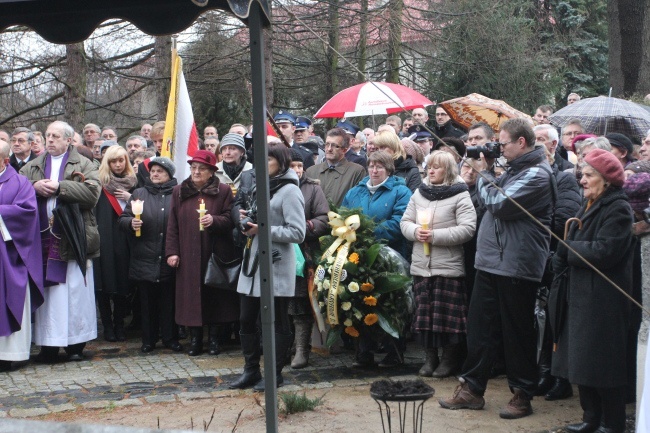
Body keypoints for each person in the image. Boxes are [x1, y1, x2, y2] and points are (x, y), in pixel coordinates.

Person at [439, 118, 553, 419]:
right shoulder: (512, 171)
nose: (497, 149)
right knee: (479, 329)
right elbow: (485, 197)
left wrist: (483, 172)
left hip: (518, 265)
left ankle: (522, 393)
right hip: (490, 261)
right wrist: (489, 171)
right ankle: (472, 389)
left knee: (517, 334)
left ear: (522, 143)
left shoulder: (538, 174)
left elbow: (498, 203)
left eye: (502, 144)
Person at [553, 149, 634, 433]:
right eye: (582, 174)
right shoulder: (588, 203)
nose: (582, 180)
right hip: (581, 295)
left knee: (603, 366)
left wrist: (567, 249)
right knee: (583, 362)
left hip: (604, 299)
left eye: (588, 175)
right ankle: (591, 419)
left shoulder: (618, 208)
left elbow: (606, 251)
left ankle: (611, 424)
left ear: (606, 180)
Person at [21, 120, 101, 363]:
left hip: (73, 236)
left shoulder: (85, 163)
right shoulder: (33, 166)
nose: (50, 140)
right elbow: (17, 190)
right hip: (42, 237)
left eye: (56, 136)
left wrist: (60, 187)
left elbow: (92, 194)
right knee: (49, 293)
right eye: (48, 135)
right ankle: (48, 344)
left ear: (69, 140)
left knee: (75, 291)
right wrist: (34, 186)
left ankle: (76, 343)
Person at [229, 143, 306, 391]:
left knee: (277, 320)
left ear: (281, 163)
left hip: (276, 264)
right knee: (245, 318)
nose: (263, 164)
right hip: (253, 262)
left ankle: (274, 374)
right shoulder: (260, 185)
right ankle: (251, 370)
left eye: (269, 160)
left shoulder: (290, 191)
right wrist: (245, 219)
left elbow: (298, 232)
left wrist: (262, 229)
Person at [401, 150, 476, 378]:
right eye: (429, 166)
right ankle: (430, 357)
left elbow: (467, 229)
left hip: (448, 266)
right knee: (424, 315)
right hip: (422, 266)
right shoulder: (419, 193)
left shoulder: (460, 195)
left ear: (449, 170)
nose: (431, 171)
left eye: (437, 167)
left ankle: (449, 360)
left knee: (448, 318)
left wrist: (434, 236)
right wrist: (416, 232)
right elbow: (405, 222)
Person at [341, 151, 412, 367]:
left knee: (391, 303)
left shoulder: (401, 191)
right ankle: (364, 350)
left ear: (389, 170)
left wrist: (368, 232)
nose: (374, 170)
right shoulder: (355, 191)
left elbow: (400, 220)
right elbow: (344, 215)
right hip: (359, 254)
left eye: (379, 166)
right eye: (371, 165)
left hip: (391, 255)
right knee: (361, 299)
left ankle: (394, 351)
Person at [166, 150, 239, 357]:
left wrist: (214, 221)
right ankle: (195, 340)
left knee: (215, 296)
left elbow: (230, 218)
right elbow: (172, 224)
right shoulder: (179, 191)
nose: (196, 172)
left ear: (211, 172)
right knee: (190, 298)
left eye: (202, 168)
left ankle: (215, 340)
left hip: (214, 252)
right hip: (187, 253)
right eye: (193, 167)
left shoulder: (223, 191)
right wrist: (172, 252)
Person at [119, 157, 182, 353]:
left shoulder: (178, 194)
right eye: (152, 171)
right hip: (144, 256)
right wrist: (130, 223)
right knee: (146, 302)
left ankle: (170, 337)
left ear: (169, 175)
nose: (154, 174)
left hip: (168, 256)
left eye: (160, 172)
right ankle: (149, 339)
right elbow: (123, 219)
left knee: (169, 301)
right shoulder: (139, 193)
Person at [0, 139, 44, 372]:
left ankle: (11, 354)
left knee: (11, 297)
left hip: (10, 255)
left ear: (5, 161)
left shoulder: (20, 183)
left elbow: (27, 214)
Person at [287, 149, 329, 369]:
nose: (296, 170)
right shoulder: (274, 186)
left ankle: (302, 350)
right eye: (292, 166)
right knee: (282, 303)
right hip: (280, 252)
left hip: (304, 253)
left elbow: (324, 218)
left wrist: (305, 227)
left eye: (300, 166)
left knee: (300, 303)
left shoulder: (313, 188)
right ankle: (285, 347)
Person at [94, 145, 137, 342]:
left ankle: (120, 324)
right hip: (104, 241)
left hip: (126, 240)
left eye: (121, 160)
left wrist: (131, 199)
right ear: (107, 163)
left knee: (122, 284)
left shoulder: (135, 184)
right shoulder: (99, 184)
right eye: (113, 161)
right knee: (103, 285)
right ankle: (108, 326)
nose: (118, 164)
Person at [305, 127, 366, 207]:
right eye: (327, 144)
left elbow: (357, 204)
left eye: (335, 146)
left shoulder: (356, 171)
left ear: (344, 150)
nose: (329, 149)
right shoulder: (311, 171)